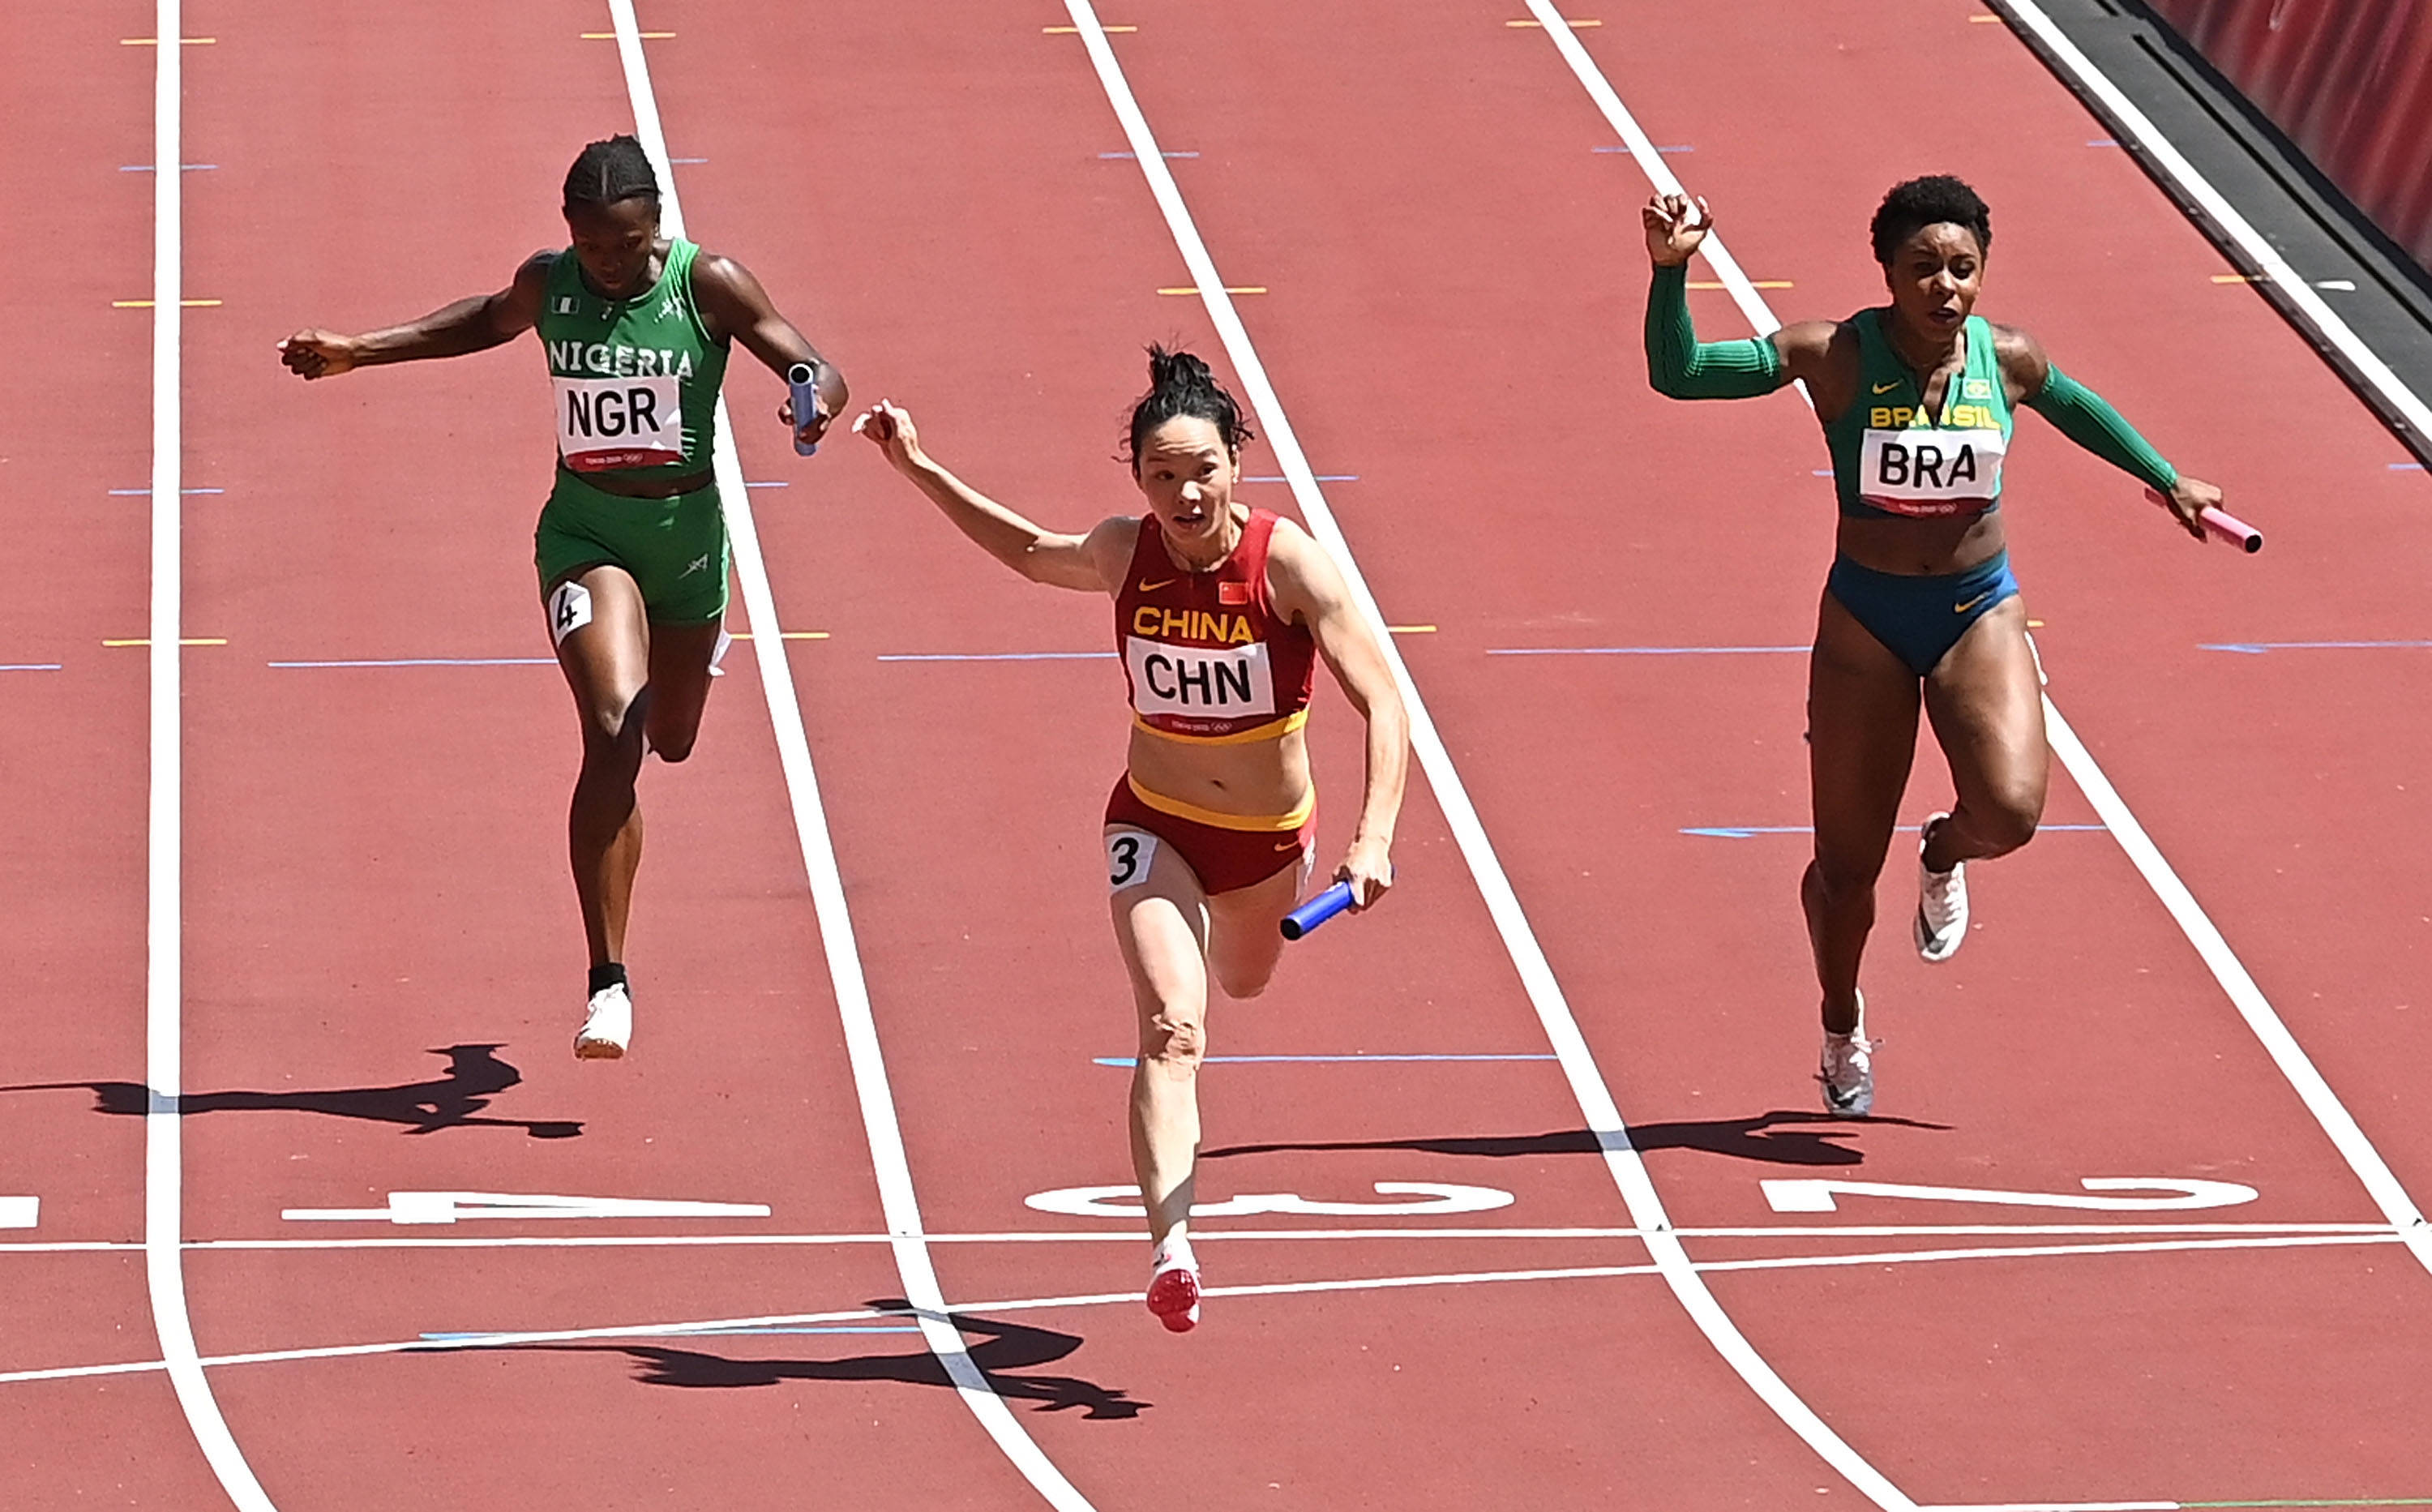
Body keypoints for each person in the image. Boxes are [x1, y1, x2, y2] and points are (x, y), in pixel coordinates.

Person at [1641, 174, 2223, 1117]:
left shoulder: (2011, 360)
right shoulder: (1832, 354)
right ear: (1887, 273)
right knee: (1844, 871)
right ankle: (1841, 1025)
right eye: (1923, 269)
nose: (1945, 288)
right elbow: (1683, 373)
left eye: (1963, 269)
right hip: (1867, 622)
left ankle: (1945, 852)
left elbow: (2075, 406)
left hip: (1976, 608)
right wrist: (1673, 274)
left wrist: (2166, 478)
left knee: (2012, 810)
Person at [854, 349, 1408, 1331]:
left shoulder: (1287, 565)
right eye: (1162, 474)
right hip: (1153, 821)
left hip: (1268, 846)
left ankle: (1177, 1216)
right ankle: (1172, 1248)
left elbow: (1384, 700)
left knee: (1243, 982)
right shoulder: (1125, 552)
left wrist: (1373, 838)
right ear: (1138, 478)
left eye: (1202, 469)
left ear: (1238, 461)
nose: (1186, 492)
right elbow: (1030, 550)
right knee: (1172, 1027)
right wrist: (918, 466)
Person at [278, 135, 846, 1060]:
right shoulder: (554, 285)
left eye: (625, 245)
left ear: (656, 224)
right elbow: (484, 320)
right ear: (570, 235)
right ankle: (608, 982)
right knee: (616, 724)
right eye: (593, 248)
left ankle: (686, 656)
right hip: (585, 536)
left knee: (672, 739)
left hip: (687, 546)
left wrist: (808, 398)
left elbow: (813, 363)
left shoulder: (710, 286)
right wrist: (359, 352)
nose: (611, 264)